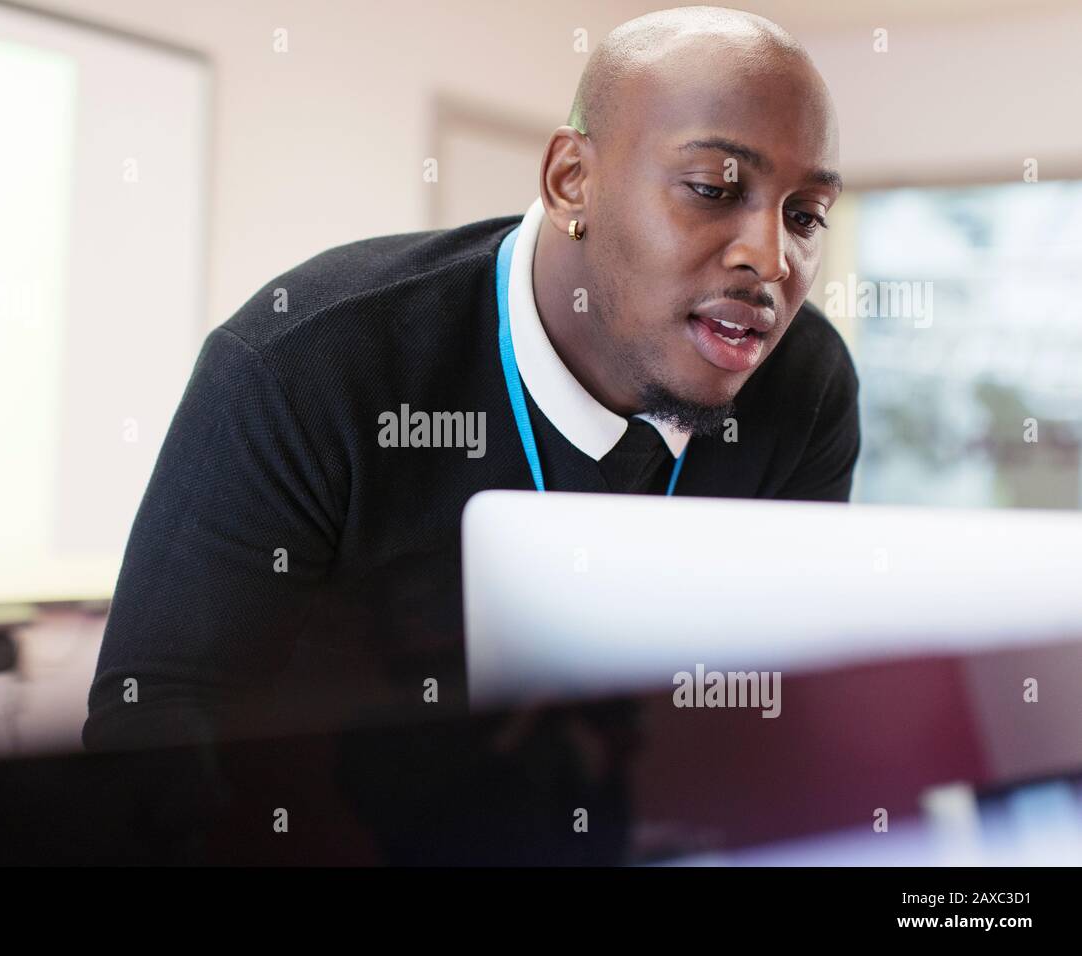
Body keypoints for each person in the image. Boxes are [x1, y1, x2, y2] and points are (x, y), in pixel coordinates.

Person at [83, 6, 859, 750]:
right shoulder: (308, 363)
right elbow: (152, 725)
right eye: (715, 190)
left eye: (805, 215)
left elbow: (780, 710)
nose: (771, 257)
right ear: (570, 180)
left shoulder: (805, 382)